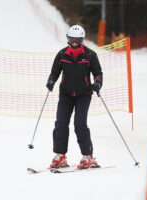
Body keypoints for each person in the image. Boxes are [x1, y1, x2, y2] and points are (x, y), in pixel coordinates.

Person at [46, 25, 103, 169]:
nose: (75, 42)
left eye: (77, 39)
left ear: (82, 39)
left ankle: (88, 156)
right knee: (60, 124)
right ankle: (60, 156)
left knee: (80, 124)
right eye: (72, 39)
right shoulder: (62, 54)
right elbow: (54, 72)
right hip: (66, 94)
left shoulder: (90, 55)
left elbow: (98, 73)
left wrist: (97, 84)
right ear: (68, 39)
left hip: (84, 94)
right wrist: (51, 81)